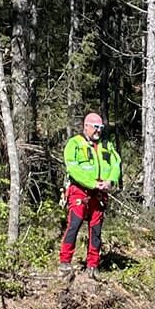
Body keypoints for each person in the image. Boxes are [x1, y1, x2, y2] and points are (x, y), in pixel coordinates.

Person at [58, 112, 122, 275]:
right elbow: (73, 168)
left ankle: (93, 265)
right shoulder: (75, 144)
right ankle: (65, 262)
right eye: (95, 127)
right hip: (79, 192)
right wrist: (92, 183)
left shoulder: (108, 146)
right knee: (74, 225)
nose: (98, 131)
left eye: (101, 127)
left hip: (100, 195)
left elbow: (116, 165)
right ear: (86, 126)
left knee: (96, 230)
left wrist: (110, 181)